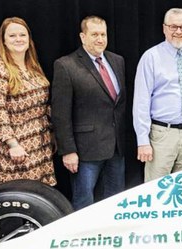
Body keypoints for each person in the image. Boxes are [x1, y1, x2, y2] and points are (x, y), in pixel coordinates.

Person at [52, 16, 126, 210]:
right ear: (82, 37)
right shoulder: (66, 65)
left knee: (116, 201)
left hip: (116, 148)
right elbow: (61, 114)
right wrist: (68, 151)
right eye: (94, 34)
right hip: (85, 151)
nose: (100, 39)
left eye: (103, 34)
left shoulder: (117, 61)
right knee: (84, 203)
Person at [134, 8, 182, 182]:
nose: (178, 32)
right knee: (157, 190)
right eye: (173, 26)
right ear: (164, 28)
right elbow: (141, 102)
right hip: (162, 135)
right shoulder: (151, 57)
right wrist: (143, 140)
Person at [0, 17, 56, 186]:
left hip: (40, 146)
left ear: (29, 39)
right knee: (20, 198)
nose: (18, 39)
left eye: (22, 35)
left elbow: (44, 105)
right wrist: (12, 144)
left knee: (41, 200)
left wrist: (52, 134)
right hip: (17, 151)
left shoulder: (33, 67)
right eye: (12, 36)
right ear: (4, 41)